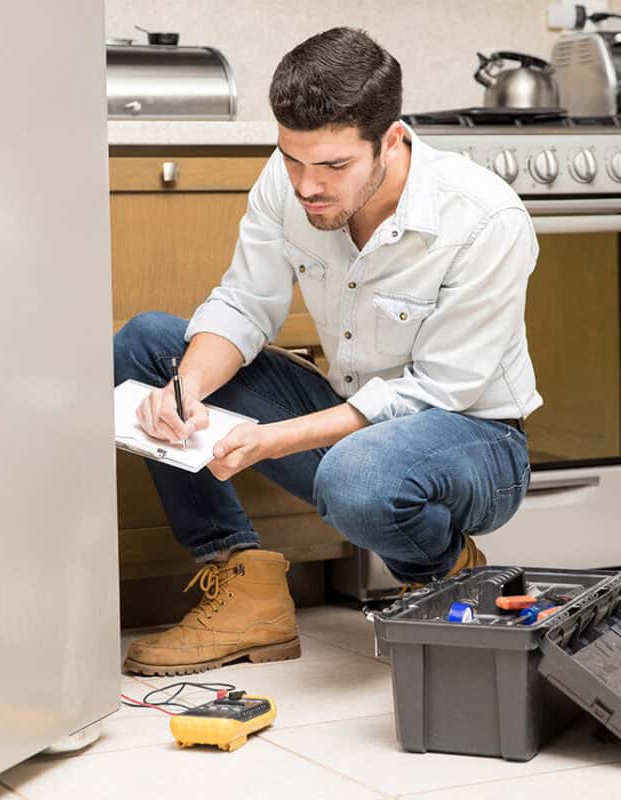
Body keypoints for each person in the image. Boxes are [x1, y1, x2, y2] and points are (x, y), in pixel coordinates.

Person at [114, 27, 541, 676]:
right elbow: (244, 304)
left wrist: (270, 441)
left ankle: (446, 570)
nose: (307, 186)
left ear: (391, 142)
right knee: (148, 344)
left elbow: (434, 392)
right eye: (293, 160)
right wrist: (187, 388)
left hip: (475, 441)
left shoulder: (484, 219)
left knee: (358, 477)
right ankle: (244, 586)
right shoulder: (288, 181)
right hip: (350, 420)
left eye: (334, 167)